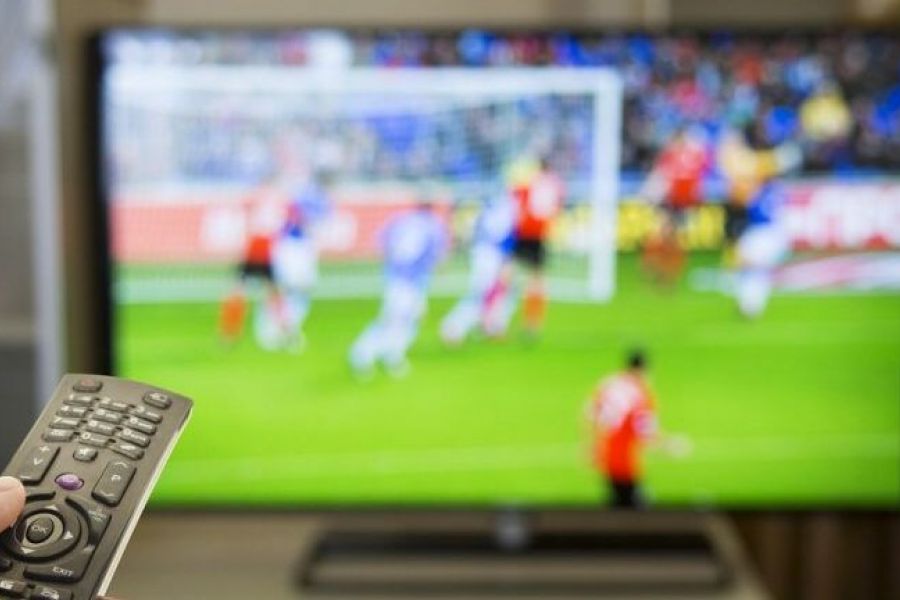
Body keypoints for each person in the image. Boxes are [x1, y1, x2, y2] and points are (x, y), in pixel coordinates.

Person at [349, 199, 447, 378]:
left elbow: (381, 241)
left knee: (403, 318)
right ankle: (364, 353)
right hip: (413, 280)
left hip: (395, 276)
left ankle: (391, 355)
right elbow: (437, 256)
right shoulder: (432, 225)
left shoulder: (401, 220)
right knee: (398, 320)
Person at [585, 350, 689, 508]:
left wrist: (592, 447)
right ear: (642, 369)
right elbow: (646, 433)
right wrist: (669, 445)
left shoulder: (609, 383)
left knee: (617, 502)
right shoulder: (640, 393)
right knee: (635, 507)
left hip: (606, 458)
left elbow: (590, 414)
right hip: (625, 462)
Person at [491, 157, 565, 338]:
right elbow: (554, 208)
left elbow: (514, 197)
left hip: (524, 235)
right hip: (539, 237)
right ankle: (531, 324)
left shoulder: (530, 185)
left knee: (506, 276)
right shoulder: (554, 185)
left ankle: (493, 318)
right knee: (536, 281)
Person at [440, 190, 515, 345]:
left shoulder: (495, 205)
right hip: (491, 254)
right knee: (482, 294)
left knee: (499, 292)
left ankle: (492, 326)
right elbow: (504, 235)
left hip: (484, 253)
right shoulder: (507, 207)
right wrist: (506, 259)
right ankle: (453, 327)